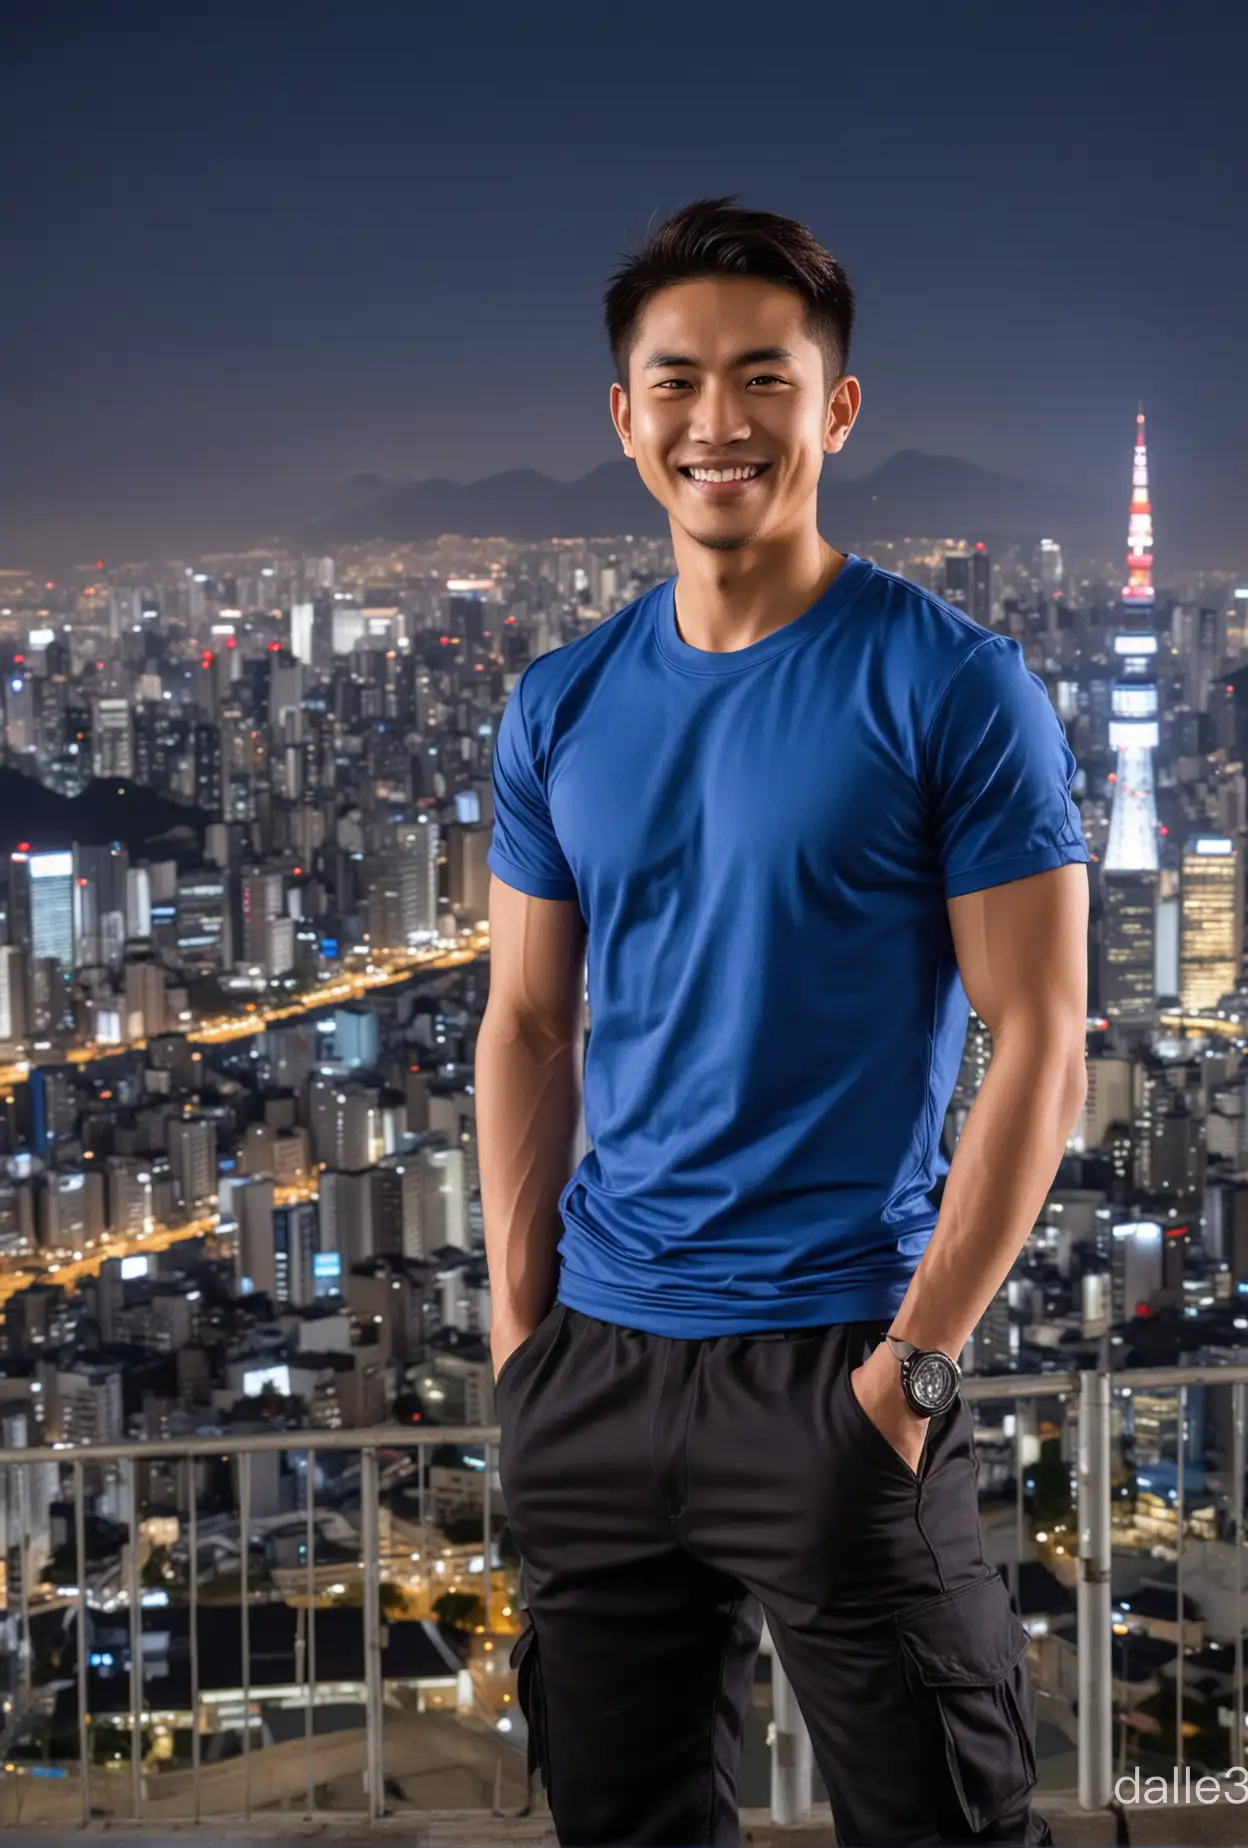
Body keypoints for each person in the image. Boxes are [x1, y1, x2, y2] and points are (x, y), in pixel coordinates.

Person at [476, 196, 1090, 1848]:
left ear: (837, 407)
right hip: (596, 1376)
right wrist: (519, 1339)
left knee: (948, 1830)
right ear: (624, 417)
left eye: (765, 376)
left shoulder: (952, 685)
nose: (718, 421)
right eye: (676, 381)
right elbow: (529, 1026)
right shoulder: (561, 702)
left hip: (835, 1367)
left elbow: (1038, 1039)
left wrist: (913, 1375)